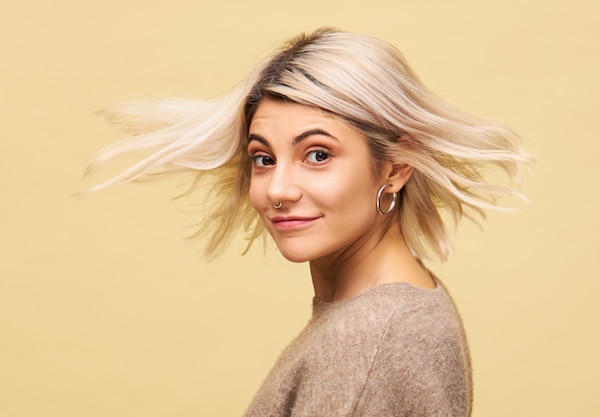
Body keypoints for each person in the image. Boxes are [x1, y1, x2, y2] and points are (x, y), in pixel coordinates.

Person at [87, 27, 527, 417]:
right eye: (263, 158)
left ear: (394, 166)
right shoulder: (392, 312)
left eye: (318, 154)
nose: (278, 190)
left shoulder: (368, 340)